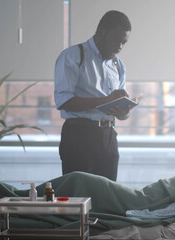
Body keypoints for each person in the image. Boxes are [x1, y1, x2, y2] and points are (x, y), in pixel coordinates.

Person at [0, 127, 175, 218]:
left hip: (143, 201)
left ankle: (0, 195)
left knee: (78, 180)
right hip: (145, 195)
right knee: (77, 180)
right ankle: (5, 196)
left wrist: (152, 216)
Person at [54, 10, 132, 181]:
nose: (119, 47)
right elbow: (63, 101)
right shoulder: (73, 56)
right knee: (79, 196)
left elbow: (118, 108)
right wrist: (105, 100)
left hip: (109, 136)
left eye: (123, 43)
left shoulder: (118, 66)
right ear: (101, 32)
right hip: (78, 135)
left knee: (107, 197)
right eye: (116, 40)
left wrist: (123, 112)